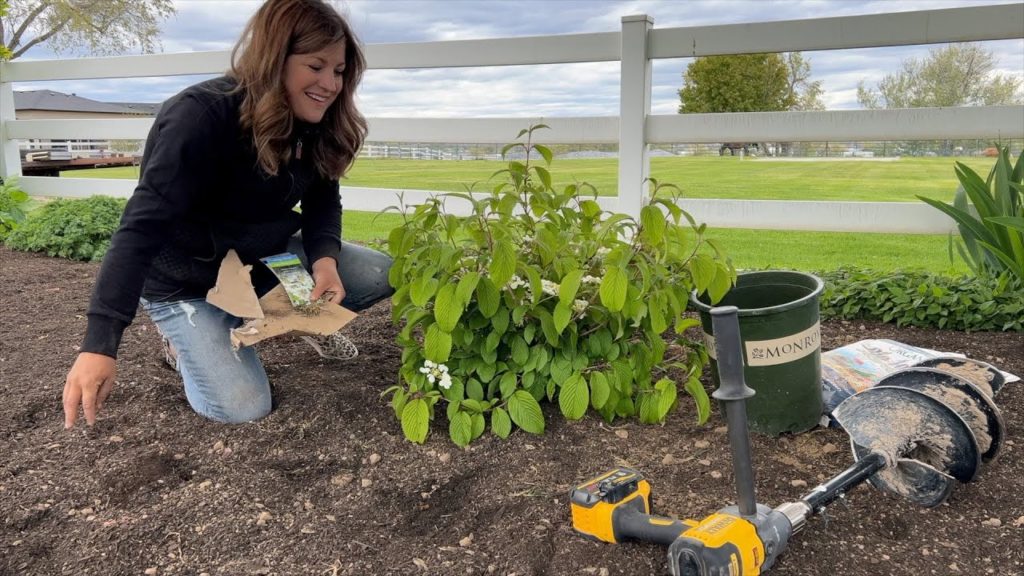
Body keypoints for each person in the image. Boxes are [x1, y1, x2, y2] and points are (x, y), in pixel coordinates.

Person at [62, 0, 393, 428]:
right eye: (316, 66)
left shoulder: (315, 124)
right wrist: (99, 344)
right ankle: (183, 344)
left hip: (262, 262)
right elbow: (141, 230)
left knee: (379, 273)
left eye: (340, 70)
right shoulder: (199, 116)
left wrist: (325, 262)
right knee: (243, 407)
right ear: (274, 58)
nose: (330, 84)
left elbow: (323, 201)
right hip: (186, 280)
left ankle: (297, 317)